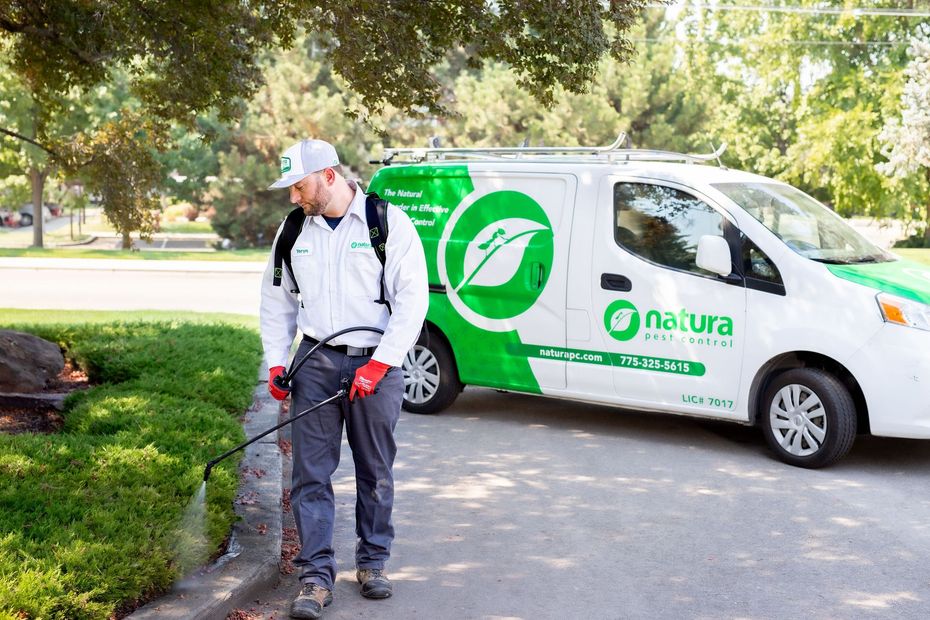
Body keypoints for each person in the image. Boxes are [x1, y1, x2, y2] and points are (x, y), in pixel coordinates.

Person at [260, 139, 428, 619]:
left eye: (300, 186)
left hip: (377, 364)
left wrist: (381, 364)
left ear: (328, 176)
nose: (294, 197)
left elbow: (412, 300)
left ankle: (373, 562)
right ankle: (315, 577)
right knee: (310, 474)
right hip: (315, 363)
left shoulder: (387, 223)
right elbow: (277, 302)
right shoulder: (293, 230)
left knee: (375, 471)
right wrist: (277, 362)